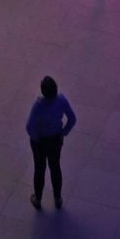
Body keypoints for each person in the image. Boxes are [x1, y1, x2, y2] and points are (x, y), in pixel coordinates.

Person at [25, 76, 77, 209]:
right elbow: (72, 119)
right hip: (55, 140)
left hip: (40, 142)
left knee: (39, 169)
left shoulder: (38, 106)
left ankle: (38, 198)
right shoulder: (61, 101)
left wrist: (36, 139)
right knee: (55, 167)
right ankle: (57, 198)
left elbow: (30, 126)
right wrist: (63, 133)